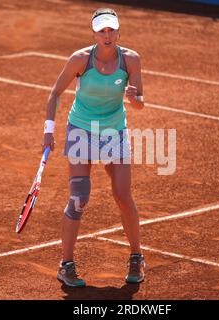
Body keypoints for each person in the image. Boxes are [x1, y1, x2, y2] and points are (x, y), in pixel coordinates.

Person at [41, 8, 145, 288]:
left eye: (111, 30)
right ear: (94, 33)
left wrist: (134, 98)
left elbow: (139, 104)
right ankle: (66, 264)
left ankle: (136, 257)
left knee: (123, 195)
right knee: (79, 197)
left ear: (118, 31)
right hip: (81, 130)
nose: (107, 35)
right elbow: (55, 94)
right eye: (102, 31)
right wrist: (48, 131)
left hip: (113, 131)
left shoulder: (131, 60)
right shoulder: (80, 59)